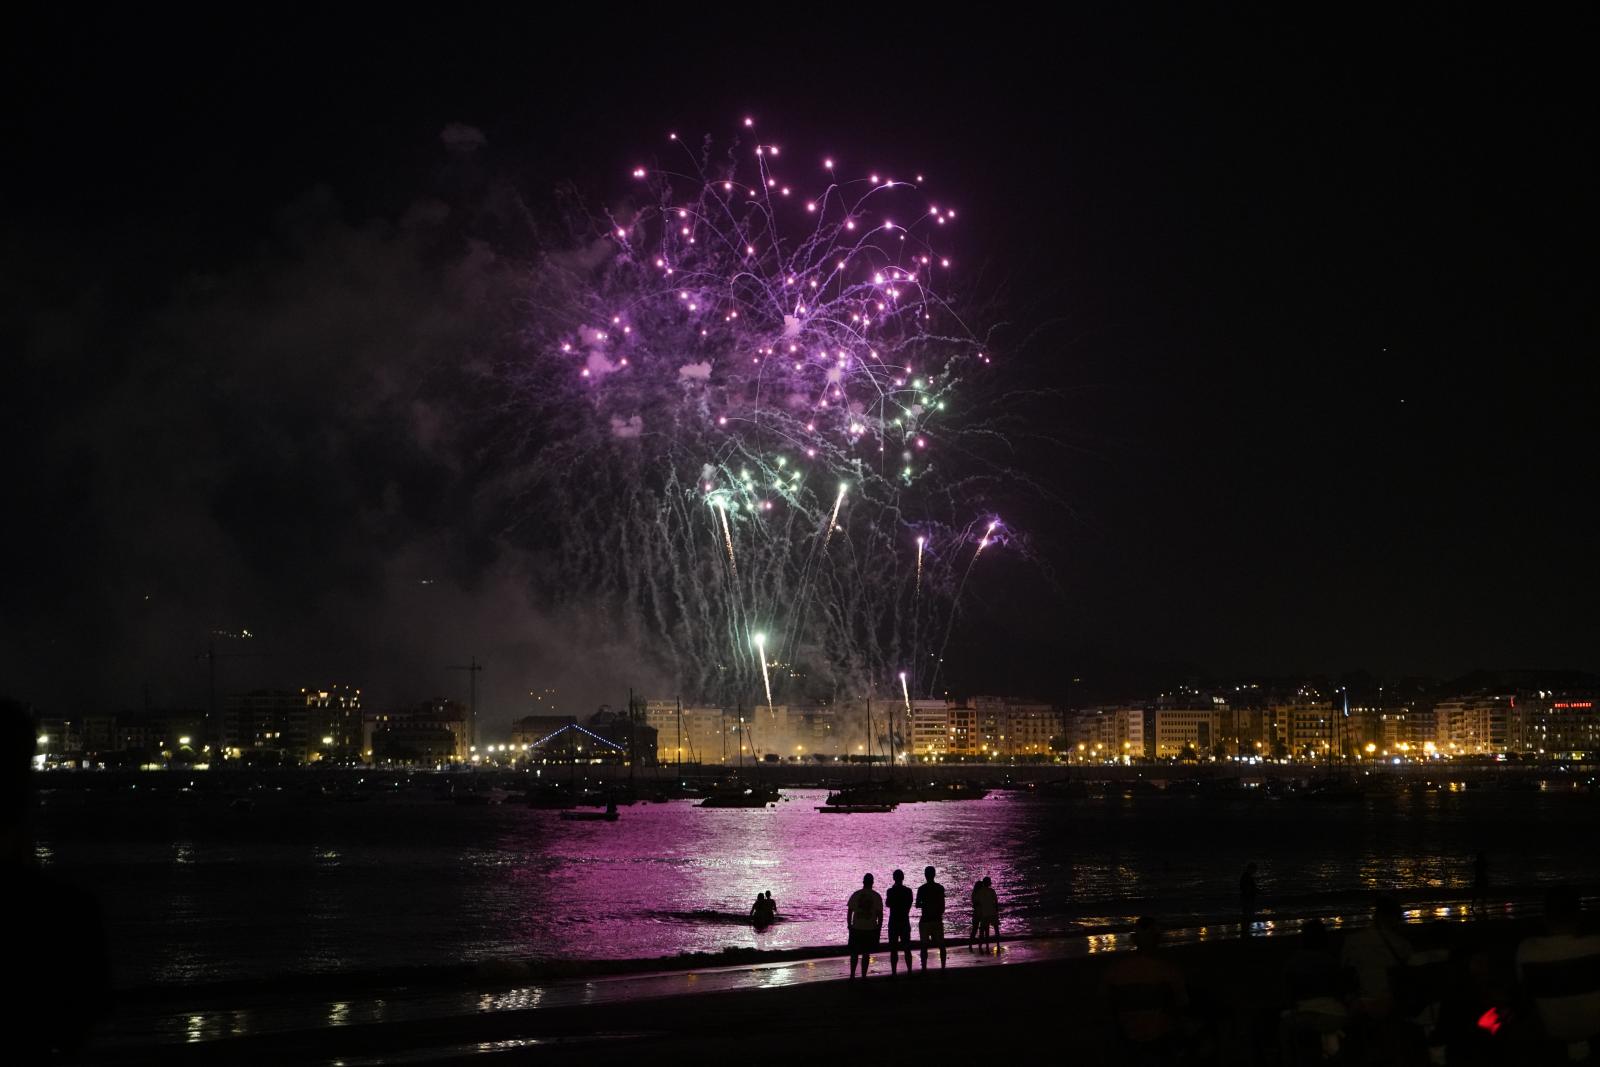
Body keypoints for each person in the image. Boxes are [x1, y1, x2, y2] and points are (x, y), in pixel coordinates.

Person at [1516, 885, 1600, 1061]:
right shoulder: (1595, 946)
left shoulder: (1527, 952)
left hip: (1552, 1038)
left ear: (1545, 917)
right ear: (1579, 916)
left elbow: (1524, 992)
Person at [1103, 916, 1191, 1055]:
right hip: (1162, 1034)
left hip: (1127, 1033)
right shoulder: (1169, 971)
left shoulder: (1114, 971)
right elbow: (1182, 1004)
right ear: (1158, 939)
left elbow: (1107, 1004)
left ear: (1134, 939)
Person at [1340, 895, 1414, 1020]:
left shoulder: (1352, 941)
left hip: (1363, 1002)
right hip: (1391, 1002)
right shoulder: (1403, 945)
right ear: (1395, 918)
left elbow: (1345, 970)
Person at [846, 873, 883, 978]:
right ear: (872, 883)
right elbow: (880, 915)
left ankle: (852, 975)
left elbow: (850, 911)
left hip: (857, 927)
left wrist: (849, 925)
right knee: (866, 954)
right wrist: (878, 928)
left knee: (854, 953)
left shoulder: (856, 894)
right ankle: (863, 976)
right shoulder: (876, 896)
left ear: (863, 882)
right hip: (870, 928)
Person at [915, 866, 947, 970]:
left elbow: (917, 905)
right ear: (934, 875)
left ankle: (924, 968)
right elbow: (942, 906)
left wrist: (926, 904)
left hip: (925, 920)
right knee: (941, 945)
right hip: (937, 919)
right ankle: (943, 967)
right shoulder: (940, 888)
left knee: (924, 946)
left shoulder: (922, 889)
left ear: (925, 875)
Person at [885, 869, 914, 974]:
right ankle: (909, 971)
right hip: (904, 920)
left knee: (893, 949)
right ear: (903, 878)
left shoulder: (890, 891)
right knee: (907, 947)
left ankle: (894, 972)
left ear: (894, 878)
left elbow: (888, 904)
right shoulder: (908, 891)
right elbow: (909, 904)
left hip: (893, 921)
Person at [976, 876, 1000, 949]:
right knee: (996, 929)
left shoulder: (979, 892)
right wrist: (997, 911)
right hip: (992, 912)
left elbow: (978, 903)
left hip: (984, 913)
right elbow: (996, 902)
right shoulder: (992, 891)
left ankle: (984, 945)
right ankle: (998, 944)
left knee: (984, 930)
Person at [1240, 862, 1259, 936]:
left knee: (1246, 915)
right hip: (1247, 899)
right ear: (1251, 869)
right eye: (1254, 870)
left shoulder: (1245, 876)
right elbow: (1248, 889)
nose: (1255, 871)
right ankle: (1245, 932)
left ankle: (1245, 931)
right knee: (1247, 915)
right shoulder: (1247, 877)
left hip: (1246, 898)